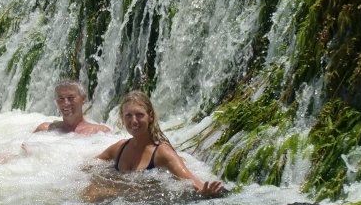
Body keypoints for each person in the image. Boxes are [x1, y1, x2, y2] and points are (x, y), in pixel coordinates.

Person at [93, 91, 225, 197]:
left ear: (150, 116)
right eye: (128, 115)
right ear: (122, 118)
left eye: (139, 115)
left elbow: (190, 179)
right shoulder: (119, 148)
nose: (133, 121)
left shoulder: (162, 152)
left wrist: (205, 191)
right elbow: (89, 167)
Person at [34, 79, 111, 135]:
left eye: (71, 98)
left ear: (83, 99)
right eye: (61, 98)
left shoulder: (100, 132)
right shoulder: (44, 129)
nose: (65, 103)